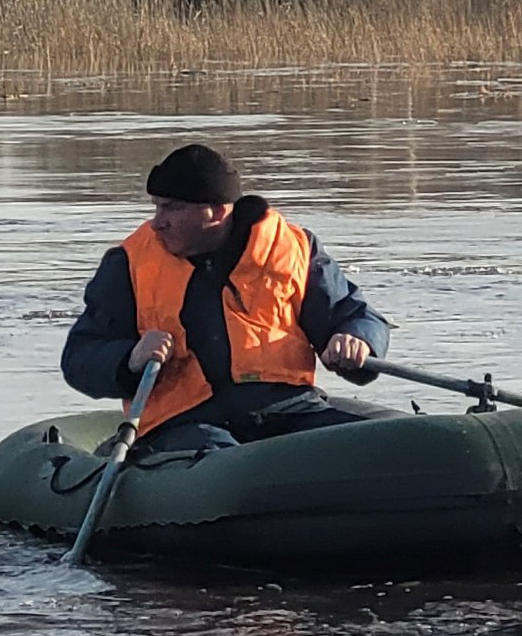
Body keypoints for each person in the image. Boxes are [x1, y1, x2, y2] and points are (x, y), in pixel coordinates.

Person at [62, 143, 389, 454]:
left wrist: (356, 338)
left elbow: (352, 313)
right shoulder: (129, 263)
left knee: (372, 446)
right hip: (184, 424)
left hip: (287, 411)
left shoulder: (292, 249)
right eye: (157, 207)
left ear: (217, 211)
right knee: (220, 457)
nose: (158, 222)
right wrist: (129, 359)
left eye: (172, 208)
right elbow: (80, 357)